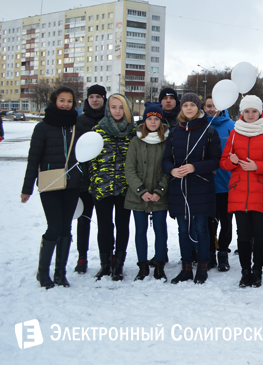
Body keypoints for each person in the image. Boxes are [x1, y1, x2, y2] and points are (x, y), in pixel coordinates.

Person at [21, 87, 83, 288]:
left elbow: (86, 155)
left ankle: (60, 273)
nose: (65, 104)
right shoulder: (43, 127)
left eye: (69, 101)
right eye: (62, 100)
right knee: (54, 226)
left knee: (66, 228)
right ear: (54, 101)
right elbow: (33, 160)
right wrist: (27, 188)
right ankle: (43, 273)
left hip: (72, 184)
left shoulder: (77, 126)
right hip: (49, 183)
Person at [220, 95, 263, 288]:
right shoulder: (235, 133)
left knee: (260, 235)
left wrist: (257, 166)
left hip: (261, 192)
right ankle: (245, 272)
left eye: (254, 111)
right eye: (246, 111)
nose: (250, 115)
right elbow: (224, 163)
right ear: (241, 113)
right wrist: (232, 161)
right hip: (239, 191)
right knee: (243, 236)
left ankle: (258, 271)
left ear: (260, 112)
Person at [164, 93, 222, 285]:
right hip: (179, 189)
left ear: (199, 108)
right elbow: (165, 160)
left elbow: (215, 161)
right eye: (185, 105)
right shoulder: (173, 132)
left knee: (201, 228)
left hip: (201, 188)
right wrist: (171, 170)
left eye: (192, 105)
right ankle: (186, 267)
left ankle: (203, 267)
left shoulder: (209, 131)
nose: (189, 108)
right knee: (182, 229)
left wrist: (195, 167)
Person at [89, 94, 135, 281]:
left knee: (122, 226)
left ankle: (119, 264)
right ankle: (105, 263)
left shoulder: (133, 132)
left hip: (125, 188)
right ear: (108, 109)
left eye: (121, 107)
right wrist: (96, 180)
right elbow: (91, 160)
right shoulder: (98, 131)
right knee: (105, 226)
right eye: (113, 107)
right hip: (103, 188)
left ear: (126, 110)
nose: (117, 111)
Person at [124, 104, 170, 281]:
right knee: (140, 230)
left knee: (160, 229)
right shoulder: (136, 141)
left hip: (159, 194)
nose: (153, 122)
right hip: (138, 195)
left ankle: (159, 265)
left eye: (156, 119)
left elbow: (169, 168)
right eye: (149, 118)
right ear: (145, 120)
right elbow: (130, 169)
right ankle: (142, 266)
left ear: (161, 121)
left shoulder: (167, 140)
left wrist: (160, 190)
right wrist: (140, 191)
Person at [74, 84, 107, 274]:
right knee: (83, 221)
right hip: (84, 182)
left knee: (104, 223)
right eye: (91, 96)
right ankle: (82, 257)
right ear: (87, 99)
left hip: (105, 182)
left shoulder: (109, 120)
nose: (95, 100)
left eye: (98, 97)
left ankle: (107, 257)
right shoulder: (79, 121)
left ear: (104, 98)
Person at [204, 96, 235, 272]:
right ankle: (209, 254)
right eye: (208, 106)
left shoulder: (231, 127)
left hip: (227, 185)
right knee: (209, 223)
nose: (212, 109)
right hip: (207, 185)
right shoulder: (201, 126)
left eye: (215, 106)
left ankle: (223, 253)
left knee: (226, 222)